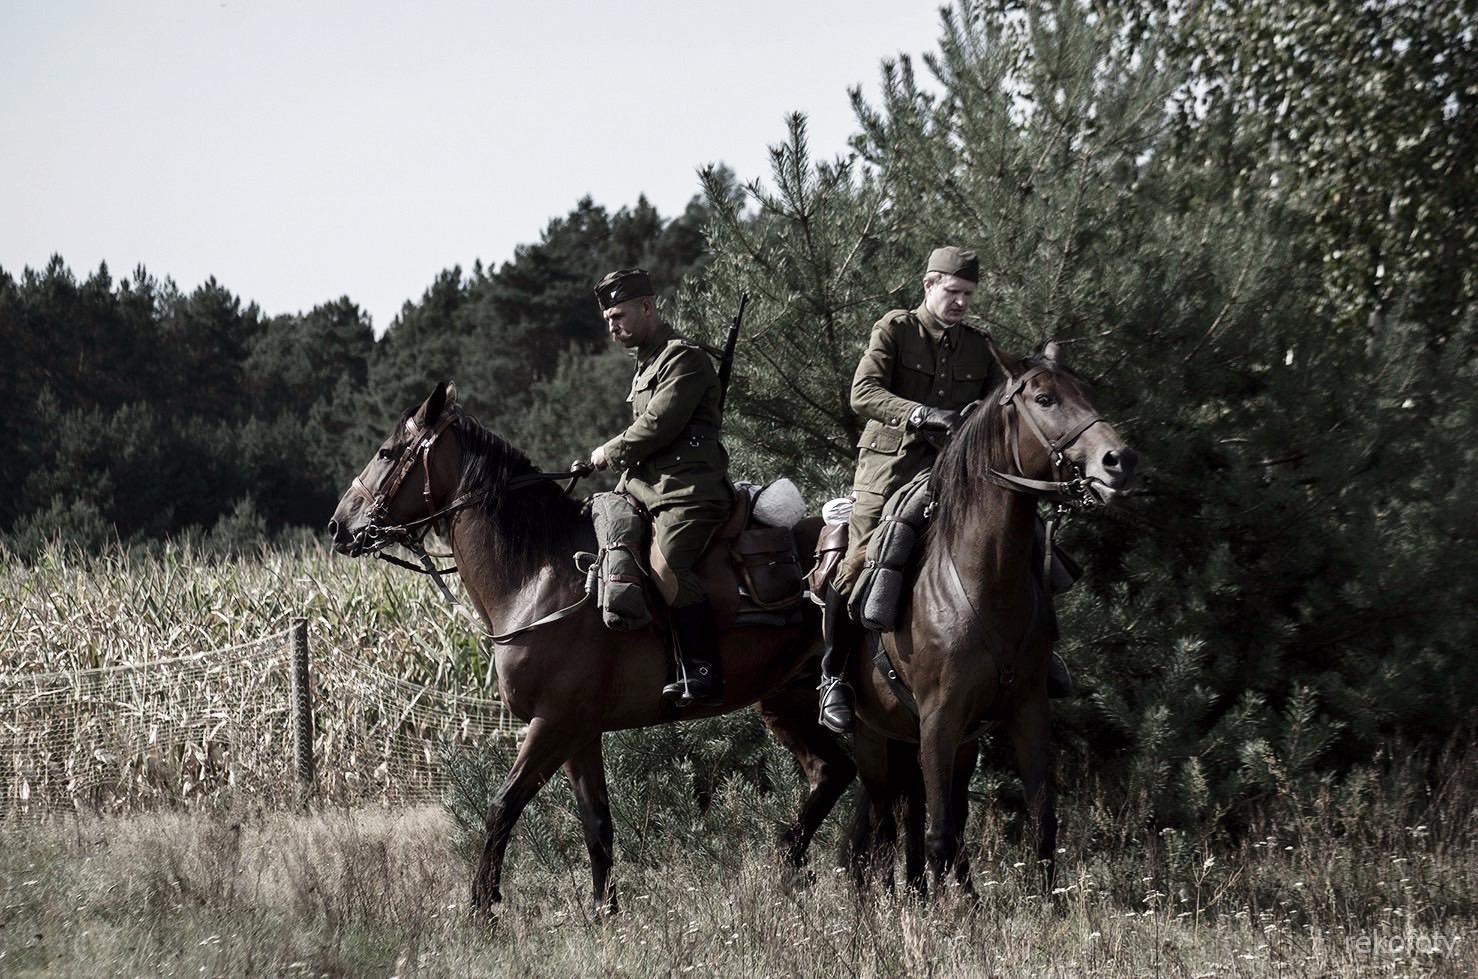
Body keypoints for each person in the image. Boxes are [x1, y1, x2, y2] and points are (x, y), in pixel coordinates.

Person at [818, 246, 1002, 734]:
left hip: (953, 477)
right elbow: (863, 393)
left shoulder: (979, 347)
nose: (961, 302)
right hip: (890, 472)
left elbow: (998, 407)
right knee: (858, 562)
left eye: (968, 295)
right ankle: (833, 677)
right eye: (953, 291)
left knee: (1015, 546)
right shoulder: (896, 329)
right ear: (928, 285)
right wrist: (921, 414)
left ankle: (1033, 658)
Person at [588, 268, 732, 707]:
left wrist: (609, 451)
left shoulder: (683, 358)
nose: (612, 326)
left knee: (666, 567)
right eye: (608, 319)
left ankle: (703, 670)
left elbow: (658, 423)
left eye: (618, 315)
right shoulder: (647, 363)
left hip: (688, 491)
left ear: (647, 307)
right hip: (647, 489)